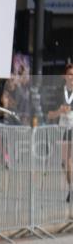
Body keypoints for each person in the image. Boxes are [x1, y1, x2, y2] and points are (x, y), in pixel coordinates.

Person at [46, 63, 73, 202]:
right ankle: (71, 188)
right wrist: (59, 111)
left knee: (69, 161)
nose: (71, 77)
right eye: (69, 74)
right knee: (65, 162)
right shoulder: (58, 92)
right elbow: (49, 115)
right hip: (64, 129)